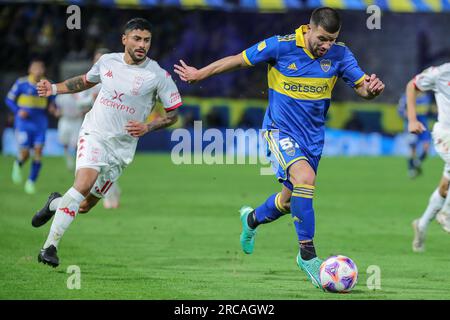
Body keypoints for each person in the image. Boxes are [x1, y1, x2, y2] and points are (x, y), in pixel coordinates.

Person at [174, 7, 384, 289]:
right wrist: (200, 74)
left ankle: (250, 220)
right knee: (305, 180)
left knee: (288, 202)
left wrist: (371, 90)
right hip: (279, 131)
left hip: (313, 139)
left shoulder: (341, 54)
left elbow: (361, 88)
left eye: (332, 39)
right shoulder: (280, 46)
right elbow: (238, 60)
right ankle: (307, 255)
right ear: (308, 29)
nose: (327, 45)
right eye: (323, 38)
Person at [32, 18, 182, 267]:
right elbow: (85, 81)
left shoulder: (157, 75)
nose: (142, 44)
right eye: (137, 38)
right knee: (82, 184)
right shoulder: (107, 61)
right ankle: (49, 247)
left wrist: (148, 126)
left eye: (146, 40)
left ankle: (54, 203)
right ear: (125, 39)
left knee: (85, 205)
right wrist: (54, 89)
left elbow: (173, 113)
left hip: (122, 149)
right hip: (95, 133)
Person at [408, 63, 450, 252]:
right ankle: (447, 212)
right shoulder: (440, 73)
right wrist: (412, 119)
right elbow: (412, 86)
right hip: (445, 134)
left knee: (445, 187)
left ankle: (422, 224)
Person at [5, 59, 56, 194]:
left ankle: (31, 182)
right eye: (36, 68)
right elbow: (9, 99)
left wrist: (53, 107)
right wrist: (17, 111)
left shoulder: (47, 84)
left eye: (41, 68)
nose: (38, 70)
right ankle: (18, 163)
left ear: (43, 70)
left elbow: (52, 101)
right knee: (25, 153)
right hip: (23, 124)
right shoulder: (21, 83)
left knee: (38, 153)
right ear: (30, 70)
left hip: (40, 123)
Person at [398, 92, 434, 178]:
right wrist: (406, 114)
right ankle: (411, 169)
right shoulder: (406, 96)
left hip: (424, 125)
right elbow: (400, 110)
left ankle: (417, 162)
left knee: (426, 147)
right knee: (413, 148)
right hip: (412, 125)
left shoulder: (426, 97)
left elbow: (429, 111)